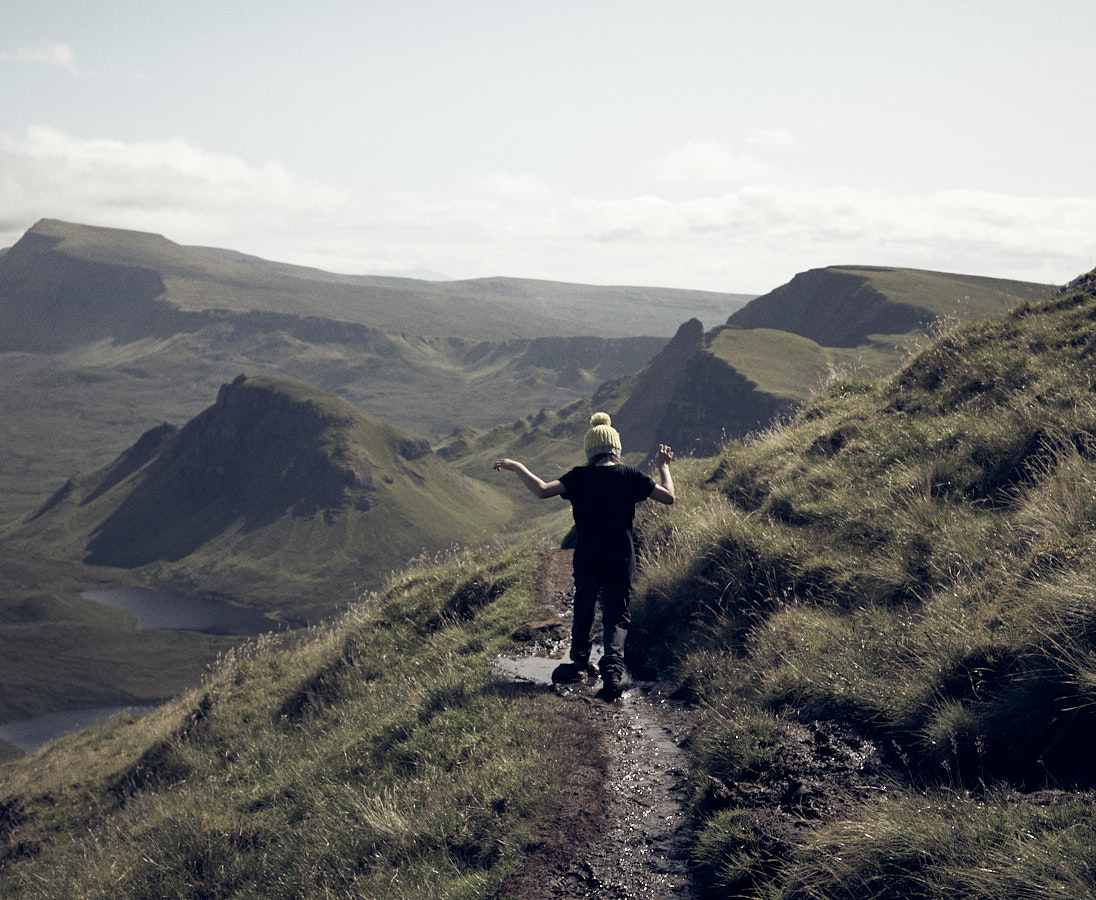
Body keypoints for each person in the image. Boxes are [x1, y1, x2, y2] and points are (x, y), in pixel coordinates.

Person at [494, 412, 675, 701]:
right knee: (616, 618)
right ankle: (613, 675)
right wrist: (662, 466)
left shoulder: (579, 476)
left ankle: (579, 663)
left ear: (589, 451)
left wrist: (518, 467)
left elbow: (541, 491)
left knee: (584, 609)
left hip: (588, 559)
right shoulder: (631, 475)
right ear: (616, 448)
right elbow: (669, 496)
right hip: (621, 560)